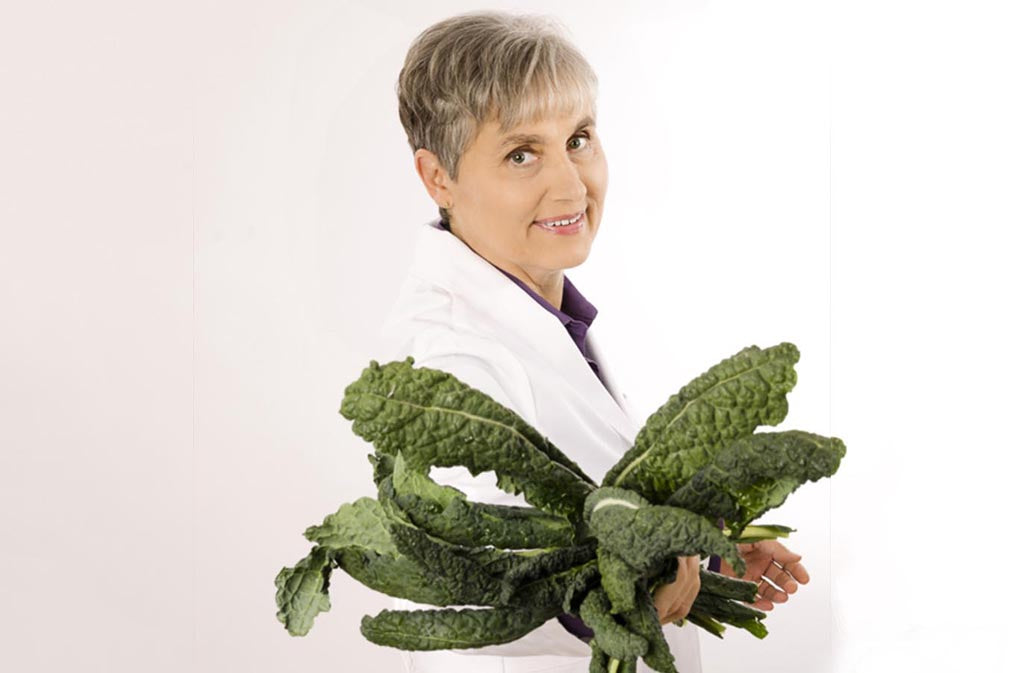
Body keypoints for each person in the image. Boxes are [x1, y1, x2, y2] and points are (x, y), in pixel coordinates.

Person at [375, 10, 809, 673]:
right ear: (439, 178)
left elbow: (585, 517)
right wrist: (625, 587)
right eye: (522, 153)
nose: (573, 185)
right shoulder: (445, 356)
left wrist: (706, 562)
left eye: (578, 138)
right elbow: (459, 585)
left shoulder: (550, 315)